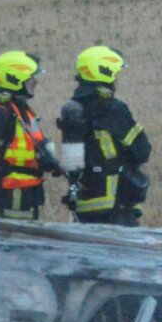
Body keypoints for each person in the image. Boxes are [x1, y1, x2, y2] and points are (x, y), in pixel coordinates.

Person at [58, 45, 151, 226]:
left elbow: (72, 166)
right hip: (116, 205)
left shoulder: (73, 110)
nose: (116, 79)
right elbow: (142, 151)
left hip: (84, 206)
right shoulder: (113, 109)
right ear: (104, 72)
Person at [0, 51, 61, 220]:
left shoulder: (22, 112)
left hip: (23, 198)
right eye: (31, 77)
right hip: (6, 201)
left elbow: (25, 149)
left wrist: (45, 161)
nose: (35, 82)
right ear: (15, 79)